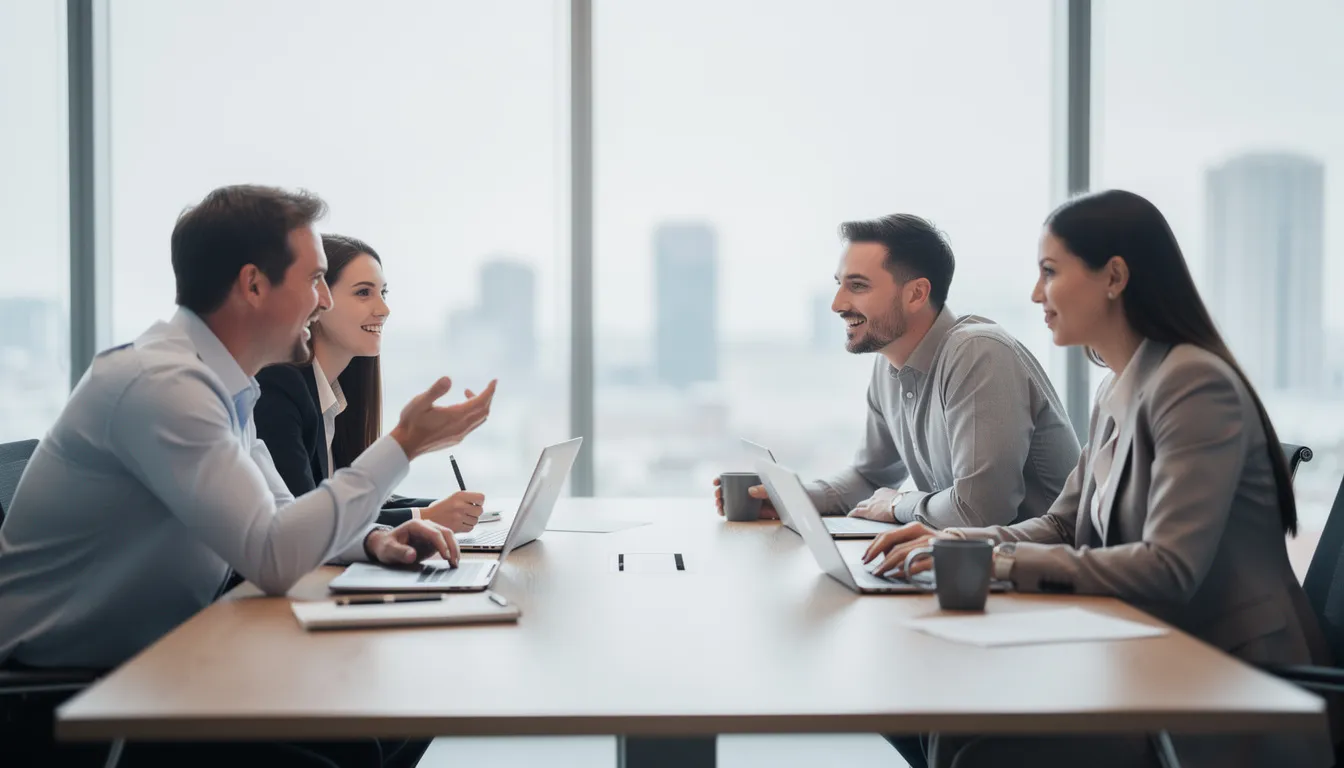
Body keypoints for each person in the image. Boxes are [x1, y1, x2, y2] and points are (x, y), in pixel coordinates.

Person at [0, 185, 497, 767]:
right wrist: (403, 445)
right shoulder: (165, 387)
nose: (321, 301)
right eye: (314, 280)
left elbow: (282, 513)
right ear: (254, 285)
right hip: (66, 696)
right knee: (350, 749)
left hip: (157, 663)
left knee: (389, 721)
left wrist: (372, 540)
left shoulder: (225, 386)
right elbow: (272, 556)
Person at [864, 190, 1335, 768]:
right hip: (1147, 651)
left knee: (976, 743)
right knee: (943, 720)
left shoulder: (1193, 384)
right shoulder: (1118, 386)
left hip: (1225, 680)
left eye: (1050, 272)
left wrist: (998, 563)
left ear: (1113, 276)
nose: (1037, 293)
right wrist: (959, 543)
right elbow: (1065, 522)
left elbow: (1168, 568)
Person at [715, 214, 1080, 531]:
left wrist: (896, 504)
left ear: (917, 294)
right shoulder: (889, 363)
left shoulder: (978, 352)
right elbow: (870, 477)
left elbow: (980, 512)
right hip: (973, 572)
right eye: (839, 284)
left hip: (1042, 582)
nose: (838, 304)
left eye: (857, 286)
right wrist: (794, 498)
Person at [255, 234, 484, 533]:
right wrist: (424, 516)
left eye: (383, 293)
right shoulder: (278, 388)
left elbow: (358, 501)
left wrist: (447, 509)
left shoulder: (333, 394)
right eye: (364, 293)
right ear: (318, 299)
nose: (384, 309)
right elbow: (309, 521)